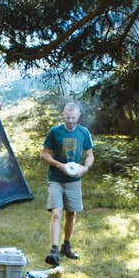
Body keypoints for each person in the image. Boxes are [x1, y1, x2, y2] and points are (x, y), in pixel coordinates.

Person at [40, 102, 94, 266]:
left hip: (74, 180)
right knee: (56, 212)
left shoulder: (83, 132)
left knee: (71, 214)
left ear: (78, 115)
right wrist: (60, 165)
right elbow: (44, 155)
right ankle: (54, 250)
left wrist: (85, 168)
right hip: (56, 178)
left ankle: (66, 246)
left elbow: (90, 155)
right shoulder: (55, 132)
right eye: (67, 117)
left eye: (73, 117)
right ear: (63, 115)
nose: (70, 121)